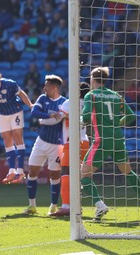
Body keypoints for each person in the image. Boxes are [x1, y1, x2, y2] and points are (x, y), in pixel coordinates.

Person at [80, 67, 140, 221]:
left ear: (92, 79)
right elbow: (131, 116)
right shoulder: (116, 96)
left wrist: (80, 121)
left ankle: (100, 205)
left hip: (101, 141)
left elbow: (87, 116)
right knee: (128, 172)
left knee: (84, 176)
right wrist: (116, 124)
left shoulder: (91, 95)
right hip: (118, 140)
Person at [39, 82, 91, 216]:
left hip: (72, 142)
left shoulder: (70, 103)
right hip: (85, 141)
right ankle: (79, 205)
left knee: (66, 172)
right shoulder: (88, 104)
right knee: (79, 175)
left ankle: (67, 206)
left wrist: (41, 121)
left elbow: (57, 118)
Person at [22, 75, 66, 215]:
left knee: (54, 175)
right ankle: (32, 206)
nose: (44, 88)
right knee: (32, 171)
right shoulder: (42, 98)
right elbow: (34, 112)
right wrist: (50, 116)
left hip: (57, 145)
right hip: (41, 141)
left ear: (54, 87)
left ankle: (53, 206)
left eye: (46, 85)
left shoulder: (64, 102)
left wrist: (44, 119)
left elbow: (58, 121)